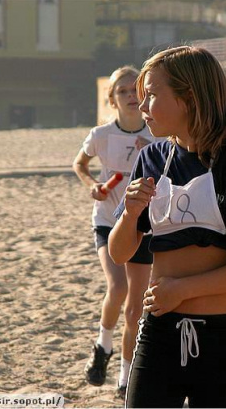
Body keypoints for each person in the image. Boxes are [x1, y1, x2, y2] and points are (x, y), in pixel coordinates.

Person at [110, 46, 226, 408]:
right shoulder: (151, 159)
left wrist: (182, 290)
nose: (142, 107)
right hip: (158, 331)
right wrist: (129, 214)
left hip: (224, 337)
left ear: (189, 97)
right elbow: (120, 251)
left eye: (152, 95)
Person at [72, 66, 153, 397]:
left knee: (136, 309)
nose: (130, 96)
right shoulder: (101, 135)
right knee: (117, 285)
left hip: (145, 226)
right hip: (108, 220)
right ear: (112, 99)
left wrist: (149, 147)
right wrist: (93, 185)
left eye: (134, 90)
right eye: (122, 91)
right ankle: (102, 345)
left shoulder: (157, 135)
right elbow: (79, 164)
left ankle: (124, 378)